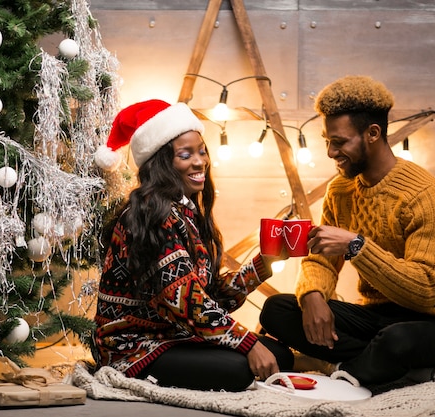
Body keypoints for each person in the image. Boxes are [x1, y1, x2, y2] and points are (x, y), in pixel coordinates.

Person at [259, 75, 435, 388]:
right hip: (374, 318)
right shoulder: (341, 190)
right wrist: (313, 296)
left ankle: (341, 368)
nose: (331, 152)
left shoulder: (426, 193)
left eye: (340, 142)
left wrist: (358, 246)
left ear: (373, 133)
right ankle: (398, 370)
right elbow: (321, 259)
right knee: (276, 309)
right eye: (327, 141)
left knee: (397, 340)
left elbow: (425, 288)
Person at [92, 99, 293, 392]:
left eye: (201, 151)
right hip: (132, 346)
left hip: (175, 335)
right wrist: (247, 343)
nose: (199, 162)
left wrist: (265, 262)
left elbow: (209, 299)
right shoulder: (151, 214)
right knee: (241, 368)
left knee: (279, 355)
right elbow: (187, 303)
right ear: (161, 163)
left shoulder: (184, 212)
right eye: (185, 155)